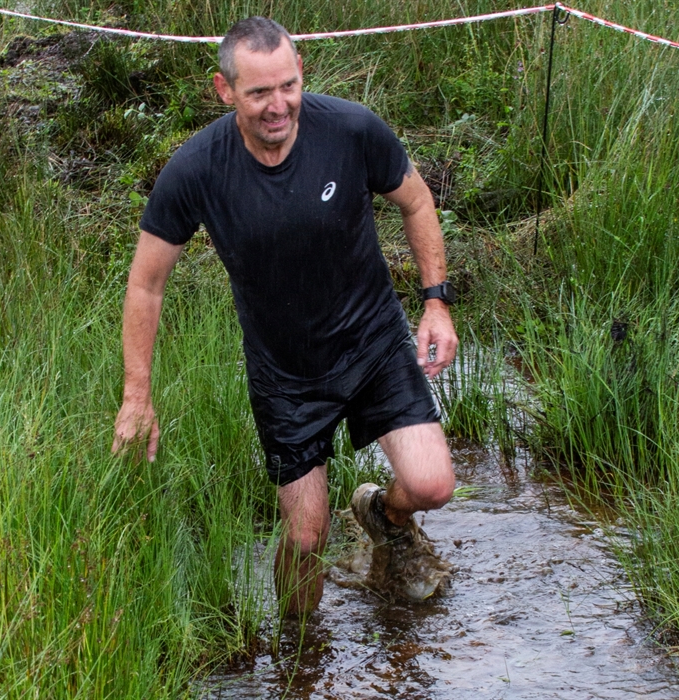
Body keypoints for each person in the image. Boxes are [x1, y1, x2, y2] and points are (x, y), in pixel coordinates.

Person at [112, 17, 458, 615]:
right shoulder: (197, 170)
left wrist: (435, 302)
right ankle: (301, 657)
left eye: (289, 86)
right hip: (286, 372)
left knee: (433, 485)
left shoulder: (351, 130)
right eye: (259, 93)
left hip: (372, 342)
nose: (279, 106)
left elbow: (417, 200)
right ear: (224, 90)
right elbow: (146, 285)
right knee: (304, 538)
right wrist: (137, 393)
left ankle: (384, 515)